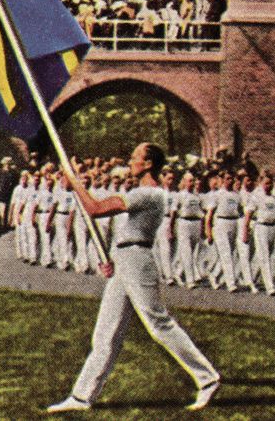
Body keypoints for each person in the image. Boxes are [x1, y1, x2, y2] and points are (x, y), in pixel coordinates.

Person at [47, 143, 220, 413]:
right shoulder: (143, 193)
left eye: (136, 158)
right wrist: (112, 260)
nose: (131, 161)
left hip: (138, 262)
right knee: (106, 334)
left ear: (149, 164)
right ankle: (82, 396)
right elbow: (122, 231)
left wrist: (76, 182)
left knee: (158, 324)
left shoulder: (149, 193)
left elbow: (94, 209)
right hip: (126, 260)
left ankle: (207, 378)